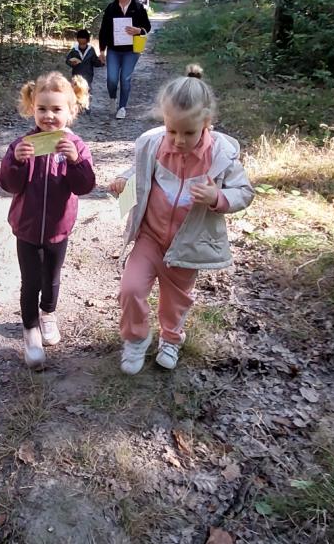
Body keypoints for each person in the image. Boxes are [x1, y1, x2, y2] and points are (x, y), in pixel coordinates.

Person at [109, 65, 254, 375]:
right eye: (171, 130)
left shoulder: (220, 156)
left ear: (207, 123)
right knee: (131, 289)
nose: (178, 140)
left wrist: (218, 198)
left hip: (188, 243)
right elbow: (140, 172)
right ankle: (135, 338)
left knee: (175, 300)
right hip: (150, 236)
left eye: (188, 133)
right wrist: (123, 180)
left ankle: (171, 338)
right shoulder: (153, 144)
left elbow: (244, 192)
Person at [0, 72, 95, 368]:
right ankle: (30, 329)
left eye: (56, 109)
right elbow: (7, 183)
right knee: (30, 281)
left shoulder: (76, 146)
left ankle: (48, 313)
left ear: (71, 111)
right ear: (32, 108)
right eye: (42, 109)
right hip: (26, 228)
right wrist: (16, 162)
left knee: (51, 278)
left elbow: (85, 186)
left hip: (58, 229)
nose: (49, 116)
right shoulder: (22, 145)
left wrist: (76, 161)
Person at [98, 0, 151, 120]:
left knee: (125, 78)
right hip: (114, 50)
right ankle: (112, 99)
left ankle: (122, 107)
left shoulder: (138, 7)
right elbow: (103, 31)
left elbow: (147, 26)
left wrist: (138, 30)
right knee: (112, 79)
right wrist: (102, 50)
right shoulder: (111, 8)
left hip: (131, 50)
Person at [65, 28, 99, 98]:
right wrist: (71, 63)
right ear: (77, 41)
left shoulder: (91, 50)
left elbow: (95, 62)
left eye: (84, 44)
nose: (82, 46)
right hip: (76, 77)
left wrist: (101, 62)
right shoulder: (74, 50)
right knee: (75, 93)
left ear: (88, 41)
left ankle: (87, 108)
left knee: (87, 94)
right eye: (80, 44)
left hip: (88, 77)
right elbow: (67, 60)